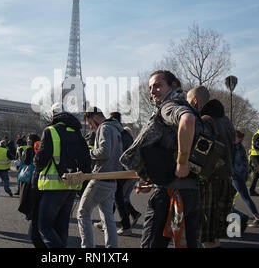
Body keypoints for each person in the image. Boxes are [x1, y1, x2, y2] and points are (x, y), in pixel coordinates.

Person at [120, 70, 199, 248]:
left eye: (157, 85)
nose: (152, 91)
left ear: (173, 85)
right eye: (150, 87)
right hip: (191, 192)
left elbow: (187, 120)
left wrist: (182, 162)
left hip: (171, 194)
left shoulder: (169, 106)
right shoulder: (185, 104)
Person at [34, 103, 91, 248]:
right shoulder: (76, 132)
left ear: (53, 115)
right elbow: (86, 159)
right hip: (72, 185)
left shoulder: (50, 131)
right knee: (61, 227)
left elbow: (40, 160)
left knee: (44, 226)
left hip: (53, 186)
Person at [187, 85, 235, 248]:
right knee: (213, 234)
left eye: (188, 102)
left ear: (194, 100)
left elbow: (199, 158)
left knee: (206, 235)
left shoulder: (205, 120)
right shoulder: (227, 121)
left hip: (210, 181)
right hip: (225, 179)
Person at [76, 106, 123, 248]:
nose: (92, 127)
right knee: (107, 218)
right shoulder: (116, 129)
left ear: (95, 117)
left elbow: (104, 152)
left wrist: (87, 154)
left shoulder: (104, 128)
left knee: (83, 213)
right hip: (112, 179)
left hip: (100, 178)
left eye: (90, 123)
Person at [231, 130, 259, 229]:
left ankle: (257, 218)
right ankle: (232, 214)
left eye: (234, 136)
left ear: (239, 138)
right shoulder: (239, 147)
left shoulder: (236, 148)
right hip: (238, 176)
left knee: (245, 197)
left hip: (236, 177)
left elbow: (238, 164)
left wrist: (236, 174)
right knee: (228, 198)